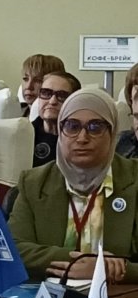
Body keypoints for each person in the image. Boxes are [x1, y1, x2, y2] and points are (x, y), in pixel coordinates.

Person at [10, 88, 138, 282]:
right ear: (60, 131)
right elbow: (13, 248)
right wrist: (92, 263)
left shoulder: (134, 179)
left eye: (95, 127)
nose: (82, 138)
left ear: (112, 133)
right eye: (72, 126)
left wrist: (118, 271)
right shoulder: (34, 182)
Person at [32, 71, 81, 166]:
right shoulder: (25, 134)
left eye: (62, 95)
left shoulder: (81, 138)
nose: (52, 101)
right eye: (46, 93)